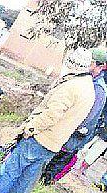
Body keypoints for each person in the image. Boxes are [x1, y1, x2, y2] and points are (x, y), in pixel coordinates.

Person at [0, 48, 98, 193]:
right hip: (54, 144)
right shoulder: (89, 89)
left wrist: (29, 130)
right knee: (24, 181)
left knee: (10, 172)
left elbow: (51, 115)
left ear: (70, 63)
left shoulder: (71, 86)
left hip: (39, 138)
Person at [41, 50, 106, 184]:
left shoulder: (99, 89)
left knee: (51, 170)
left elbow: (87, 119)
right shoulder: (86, 79)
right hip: (64, 132)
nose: (87, 65)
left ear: (99, 66)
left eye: (91, 62)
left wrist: (66, 127)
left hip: (73, 137)